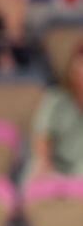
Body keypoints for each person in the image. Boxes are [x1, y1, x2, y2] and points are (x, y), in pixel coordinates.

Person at [27, 41, 83, 177]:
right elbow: (42, 139)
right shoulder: (55, 100)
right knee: (35, 167)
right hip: (56, 165)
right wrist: (45, 165)